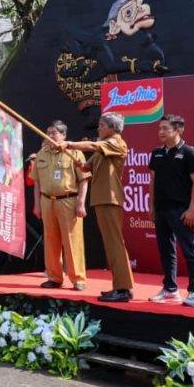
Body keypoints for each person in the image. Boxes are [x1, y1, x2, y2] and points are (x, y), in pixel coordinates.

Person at [63, 112, 133, 302]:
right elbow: (87, 167)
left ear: (112, 128)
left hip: (110, 197)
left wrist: (68, 144)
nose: (99, 128)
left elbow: (93, 146)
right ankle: (120, 286)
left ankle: (123, 289)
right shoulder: (103, 147)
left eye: (102, 125)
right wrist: (78, 162)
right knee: (110, 244)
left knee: (114, 243)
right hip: (101, 198)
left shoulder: (116, 142)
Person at [148, 114, 194, 307]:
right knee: (166, 250)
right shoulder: (156, 153)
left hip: (181, 210)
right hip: (161, 209)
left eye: (165, 128)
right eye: (160, 128)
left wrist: (192, 209)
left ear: (178, 130)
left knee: (189, 249)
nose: (161, 132)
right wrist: (151, 206)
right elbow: (153, 181)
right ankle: (170, 289)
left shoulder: (189, 153)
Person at [31, 120, 90, 291]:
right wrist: (37, 204)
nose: (50, 136)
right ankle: (54, 277)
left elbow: (84, 179)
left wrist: (81, 203)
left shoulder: (74, 153)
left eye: (54, 133)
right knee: (51, 240)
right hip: (47, 200)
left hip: (68, 200)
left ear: (64, 135)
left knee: (72, 240)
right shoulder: (41, 153)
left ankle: (78, 279)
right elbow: (36, 182)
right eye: (48, 132)